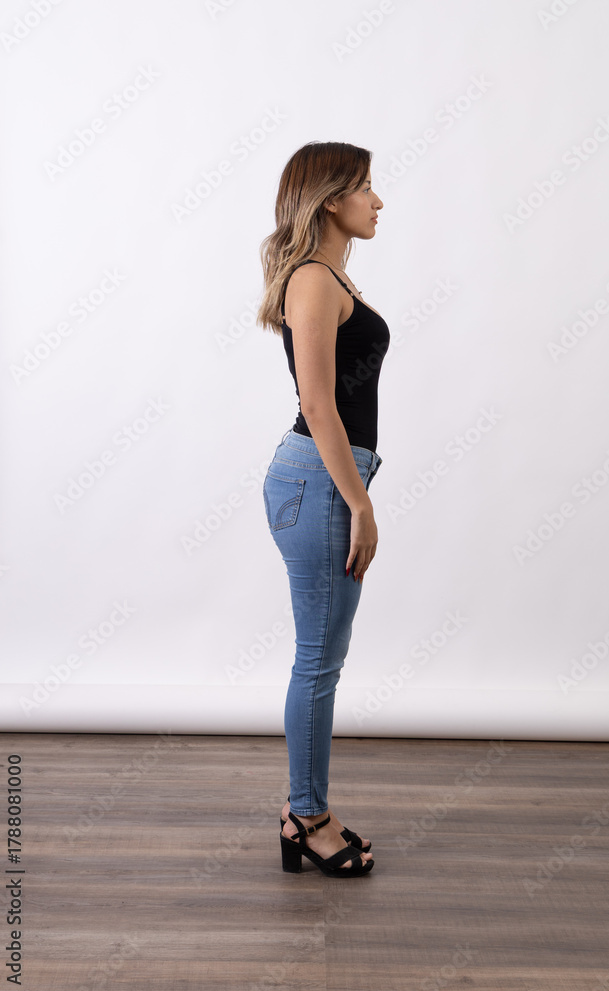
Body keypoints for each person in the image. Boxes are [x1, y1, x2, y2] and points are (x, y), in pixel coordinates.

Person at [257, 141, 389, 878]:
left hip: (326, 479)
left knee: (324, 656)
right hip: (321, 483)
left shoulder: (331, 276)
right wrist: (359, 504)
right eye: (366, 187)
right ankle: (307, 819)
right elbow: (317, 403)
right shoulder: (312, 278)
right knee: (318, 659)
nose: (378, 201)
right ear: (331, 198)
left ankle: (305, 811)